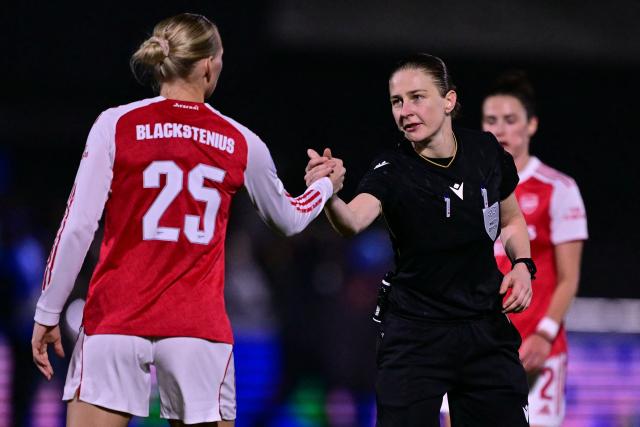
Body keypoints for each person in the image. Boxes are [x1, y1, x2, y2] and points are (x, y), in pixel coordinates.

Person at [30, 13, 344, 427]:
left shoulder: (116, 124)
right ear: (209, 64)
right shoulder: (240, 140)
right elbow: (288, 219)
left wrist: (47, 313)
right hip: (197, 329)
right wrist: (326, 186)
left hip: (114, 321)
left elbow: (76, 227)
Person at [305, 54, 534, 426]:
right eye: (397, 101)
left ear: (449, 101)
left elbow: (511, 220)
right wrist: (328, 194)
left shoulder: (486, 152)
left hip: (485, 331)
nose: (405, 110)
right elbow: (352, 221)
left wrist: (523, 265)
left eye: (417, 97)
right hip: (415, 335)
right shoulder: (392, 169)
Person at [482, 71, 587, 426]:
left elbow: (569, 279)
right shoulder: (467, 188)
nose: (501, 130)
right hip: (475, 346)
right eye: (491, 121)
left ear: (532, 126)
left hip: (536, 349)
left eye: (511, 120)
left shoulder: (557, 189)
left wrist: (544, 334)